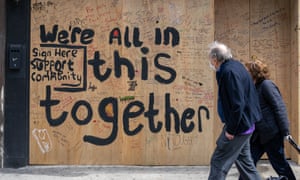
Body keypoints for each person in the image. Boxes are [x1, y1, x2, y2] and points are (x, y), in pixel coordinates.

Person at [207, 41, 262, 180]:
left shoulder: (228, 72)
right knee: (246, 164)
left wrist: (231, 130)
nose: (211, 62)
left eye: (211, 59)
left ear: (215, 58)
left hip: (239, 127)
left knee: (218, 161)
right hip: (247, 124)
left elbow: (238, 104)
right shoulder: (236, 66)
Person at [244, 60, 296, 180]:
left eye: (247, 71)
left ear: (254, 73)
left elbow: (279, 107)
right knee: (248, 163)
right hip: (258, 135)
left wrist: (285, 131)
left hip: (271, 133)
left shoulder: (267, 85)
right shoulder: (253, 87)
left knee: (280, 164)